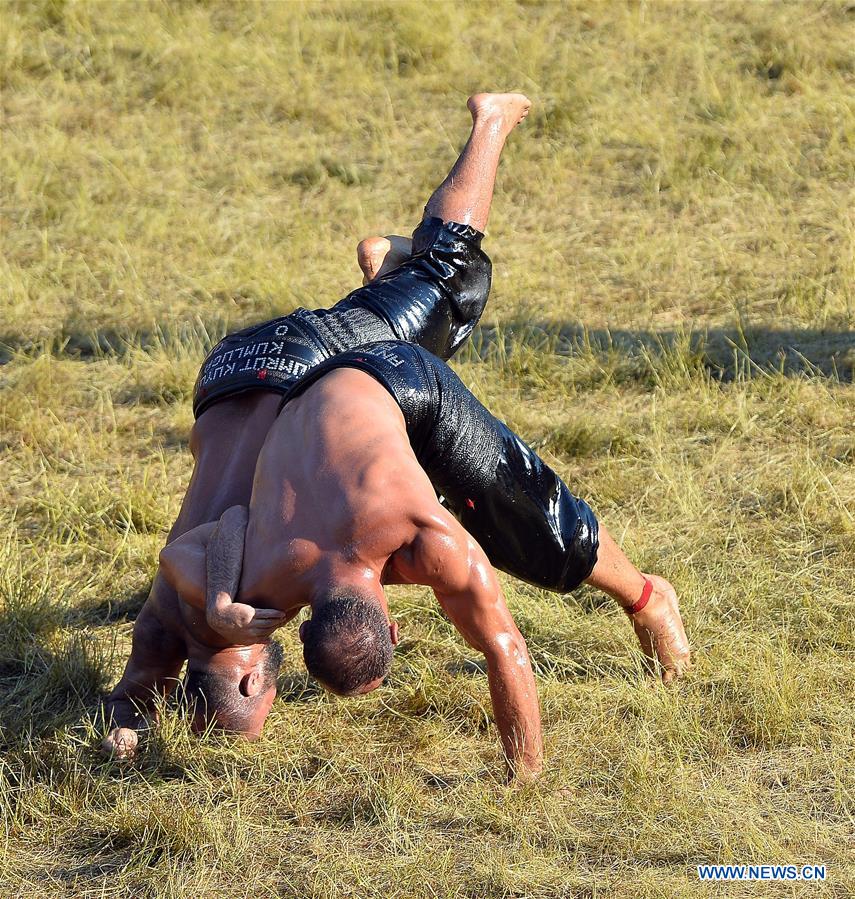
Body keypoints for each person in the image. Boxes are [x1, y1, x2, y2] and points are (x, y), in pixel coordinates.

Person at [102, 93, 690, 774]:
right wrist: (129, 719)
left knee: (451, 284)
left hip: (308, 365)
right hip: (230, 376)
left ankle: (492, 118)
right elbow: (174, 573)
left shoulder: (260, 583)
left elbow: (503, 644)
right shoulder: (212, 594)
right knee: (407, 373)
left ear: (250, 681)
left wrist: (524, 777)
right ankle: (387, 275)